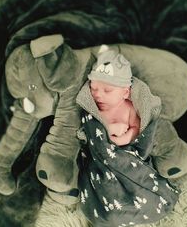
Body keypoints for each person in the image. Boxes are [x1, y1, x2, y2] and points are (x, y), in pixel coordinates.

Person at [75, 44, 180, 227]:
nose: (98, 95)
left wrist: (122, 138)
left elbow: (137, 130)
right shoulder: (94, 113)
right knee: (105, 188)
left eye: (107, 90)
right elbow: (89, 137)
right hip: (102, 163)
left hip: (127, 157)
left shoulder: (129, 108)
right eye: (93, 88)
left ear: (125, 92)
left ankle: (138, 203)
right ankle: (109, 209)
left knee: (137, 184)